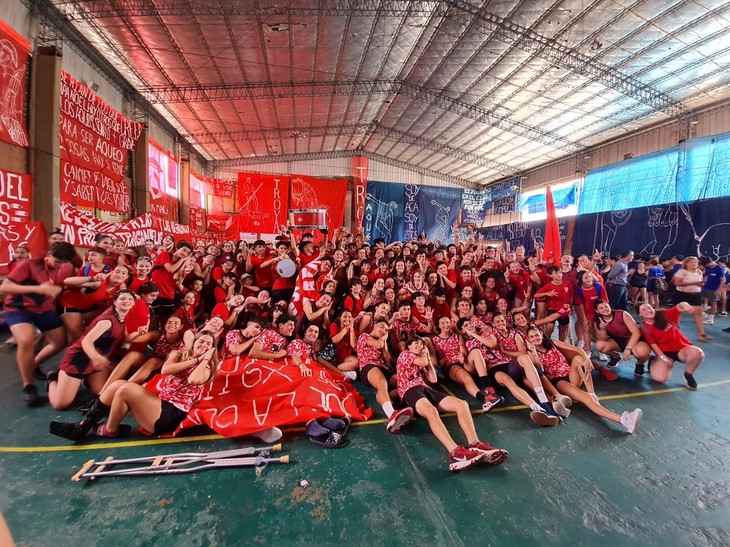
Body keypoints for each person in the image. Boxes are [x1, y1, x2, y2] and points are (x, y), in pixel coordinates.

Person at [50, 330, 219, 440]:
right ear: (194, 342)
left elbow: (193, 380)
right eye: (201, 341)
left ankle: (110, 429)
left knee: (126, 389)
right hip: (159, 404)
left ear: (212, 349)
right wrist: (195, 359)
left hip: (171, 415)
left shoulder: (207, 368)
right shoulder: (178, 354)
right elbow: (166, 369)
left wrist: (204, 359)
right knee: (117, 385)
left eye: (208, 344)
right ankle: (82, 426)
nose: (203, 345)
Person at [397, 337, 509, 472]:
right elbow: (423, 361)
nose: (419, 345)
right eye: (416, 343)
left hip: (425, 388)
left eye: (421, 344)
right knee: (431, 412)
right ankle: (455, 453)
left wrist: (429, 363)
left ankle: (475, 444)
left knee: (462, 404)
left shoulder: (421, 362)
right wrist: (426, 353)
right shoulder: (405, 355)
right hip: (409, 390)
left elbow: (433, 378)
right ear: (408, 346)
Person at [0, 241, 77, 405]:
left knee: (61, 342)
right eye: (57, 262)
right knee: (26, 340)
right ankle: (28, 386)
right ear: (49, 255)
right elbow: (4, 287)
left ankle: (32, 365)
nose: (60, 266)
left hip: (44, 309)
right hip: (18, 308)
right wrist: (38, 289)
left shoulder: (65, 267)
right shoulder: (29, 264)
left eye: (64, 263)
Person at [525, 328, 643, 433]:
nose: (535, 338)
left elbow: (577, 349)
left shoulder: (553, 342)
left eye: (536, 335)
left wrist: (587, 360)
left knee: (578, 358)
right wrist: (534, 352)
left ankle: (592, 392)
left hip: (571, 374)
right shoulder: (531, 353)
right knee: (586, 398)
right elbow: (540, 370)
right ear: (528, 340)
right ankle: (622, 420)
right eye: (532, 337)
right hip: (559, 382)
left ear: (541, 334)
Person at [46, 290, 140, 410]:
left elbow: (124, 339)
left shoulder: (122, 318)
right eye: (122, 299)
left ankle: (87, 381)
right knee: (60, 404)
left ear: (133, 304)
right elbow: (87, 341)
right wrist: (96, 357)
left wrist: (135, 336)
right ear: (115, 302)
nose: (126, 301)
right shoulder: (107, 321)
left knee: (102, 393)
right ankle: (52, 379)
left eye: (130, 299)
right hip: (80, 359)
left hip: (97, 361)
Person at [356, 320, 414, 433]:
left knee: (405, 381)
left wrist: (385, 345)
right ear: (374, 325)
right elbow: (378, 344)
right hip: (368, 366)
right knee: (382, 382)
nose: (383, 331)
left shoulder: (382, 341)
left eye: (386, 330)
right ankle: (392, 415)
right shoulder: (364, 336)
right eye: (382, 327)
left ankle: (388, 396)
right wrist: (384, 338)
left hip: (382, 366)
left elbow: (388, 359)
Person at [638, 303, 704, 390]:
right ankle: (653, 361)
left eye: (649, 308)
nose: (648, 310)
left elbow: (680, 306)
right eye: (644, 310)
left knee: (697, 353)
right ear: (640, 314)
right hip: (665, 352)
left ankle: (688, 374)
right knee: (660, 379)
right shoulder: (644, 327)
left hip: (682, 349)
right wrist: (662, 357)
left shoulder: (665, 314)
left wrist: (686, 306)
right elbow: (653, 344)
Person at [594, 300, 651, 377]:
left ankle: (639, 364)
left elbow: (636, 333)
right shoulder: (598, 322)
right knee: (599, 345)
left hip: (635, 340)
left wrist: (628, 349)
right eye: (601, 308)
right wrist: (603, 329)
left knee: (641, 352)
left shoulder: (622, 314)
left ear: (609, 306)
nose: (605, 309)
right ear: (597, 311)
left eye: (606, 306)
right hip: (618, 341)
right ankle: (615, 357)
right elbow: (603, 339)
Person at [671, 256, 710, 341]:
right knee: (676, 314)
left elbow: (700, 282)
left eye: (695, 262)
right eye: (692, 262)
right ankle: (673, 333)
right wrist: (694, 282)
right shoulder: (682, 271)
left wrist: (702, 284)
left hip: (695, 294)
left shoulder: (699, 271)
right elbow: (677, 283)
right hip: (681, 294)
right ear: (686, 263)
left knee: (698, 313)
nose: (694, 264)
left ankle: (701, 334)